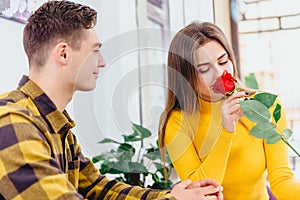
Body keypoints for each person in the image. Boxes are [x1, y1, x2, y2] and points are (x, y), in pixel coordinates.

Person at [0, 1, 224, 200]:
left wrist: (171, 196)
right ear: (64, 54)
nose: (102, 61)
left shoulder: (56, 126)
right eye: (95, 50)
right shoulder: (13, 122)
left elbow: (98, 188)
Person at [158, 21, 300, 199]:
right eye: (204, 69)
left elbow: (282, 180)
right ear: (187, 78)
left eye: (223, 61)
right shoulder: (177, 122)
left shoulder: (267, 106)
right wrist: (225, 131)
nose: (219, 73)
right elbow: (201, 193)